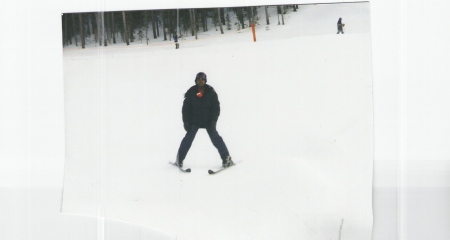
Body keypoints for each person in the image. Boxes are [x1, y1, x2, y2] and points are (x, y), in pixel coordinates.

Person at [175, 72, 233, 168]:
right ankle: (179, 159)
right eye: (198, 80)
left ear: (205, 81)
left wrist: (213, 121)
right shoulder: (191, 93)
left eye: (202, 80)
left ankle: (226, 159)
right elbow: (185, 109)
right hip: (194, 121)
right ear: (196, 81)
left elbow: (216, 109)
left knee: (216, 138)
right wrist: (186, 122)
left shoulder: (211, 92)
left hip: (208, 121)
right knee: (188, 139)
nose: (200, 81)